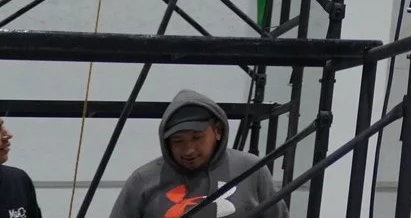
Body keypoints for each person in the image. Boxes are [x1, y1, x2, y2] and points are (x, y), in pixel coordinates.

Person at [107, 92, 284, 218]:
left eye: (197, 138)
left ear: (217, 131)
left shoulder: (252, 171)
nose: (188, 150)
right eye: (178, 141)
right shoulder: (143, 180)